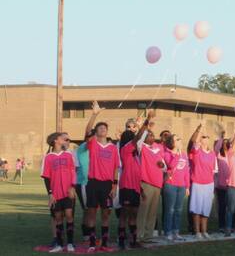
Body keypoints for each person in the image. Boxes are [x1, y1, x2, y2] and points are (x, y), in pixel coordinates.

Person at [84, 101, 120, 251]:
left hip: (107, 185)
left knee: (106, 214)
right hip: (93, 183)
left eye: (105, 127)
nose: (103, 129)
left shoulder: (112, 148)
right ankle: (92, 243)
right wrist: (94, 114)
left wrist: (115, 185)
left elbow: (115, 168)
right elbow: (87, 133)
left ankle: (104, 243)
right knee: (92, 213)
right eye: (100, 128)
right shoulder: (93, 144)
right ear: (96, 132)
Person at [117, 113, 153, 250]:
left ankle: (133, 241)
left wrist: (141, 190)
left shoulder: (136, 155)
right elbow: (139, 137)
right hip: (126, 187)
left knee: (133, 215)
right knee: (124, 215)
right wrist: (147, 121)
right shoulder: (126, 149)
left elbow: (136, 175)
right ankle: (121, 241)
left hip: (135, 188)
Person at [42, 132, 76, 253]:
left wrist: (72, 187)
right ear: (56, 141)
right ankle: (60, 245)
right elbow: (46, 177)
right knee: (58, 218)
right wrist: (50, 194)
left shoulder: (68, 154)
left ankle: (71, 243)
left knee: (69, 215)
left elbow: (73, 171)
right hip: (55, 193)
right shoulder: (48, 157)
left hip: (68, 191)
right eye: (63, 138)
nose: (65, 139)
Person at [135, 114, 166, 242]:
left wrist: (162, 165)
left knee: (153, 211)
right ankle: (139, 235)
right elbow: (139, 140)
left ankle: (148, 235)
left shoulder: (158, 148)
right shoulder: (141, 147)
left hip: (157, 183)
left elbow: (164, 166)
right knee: (143, 210)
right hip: (146, 182)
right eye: (149, 135)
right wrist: (145, 125)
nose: (151, 137)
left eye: (153, 135)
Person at [189, 123, 217, 239]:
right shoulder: (196, 151)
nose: (205, 138)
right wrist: (200, 128)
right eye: (203, 137)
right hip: (197, 183)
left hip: (209, 184)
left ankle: (204, 231)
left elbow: (214, 171)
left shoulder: (212, 153)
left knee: (206, 208)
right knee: (196, 209)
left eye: (206, 137)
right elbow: (195, 142)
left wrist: (213, 185)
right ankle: (197, 232)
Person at [163, 132, 190, 241]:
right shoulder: (167, 153)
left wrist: (187, 186)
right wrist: (177, 154)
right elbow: (171, 165)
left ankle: (176, 232)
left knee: (179, 210)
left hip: (181, 186)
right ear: (172, 142)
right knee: (170, 210)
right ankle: (168, 232)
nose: (180, 141)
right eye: (177, 139)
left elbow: (186, 172)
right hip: (170, 185)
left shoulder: (184, 154)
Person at [214, 134, 230, 233]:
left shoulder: (231, 154)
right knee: (222, 206)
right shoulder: (218, 155)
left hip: (231, 184)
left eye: (226, 143)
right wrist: (221, 137)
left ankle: (229, 225)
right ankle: (222, 225)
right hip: (221, 185)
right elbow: (216, 148)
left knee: (231, 206)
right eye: (223, 143)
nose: (225, 144)